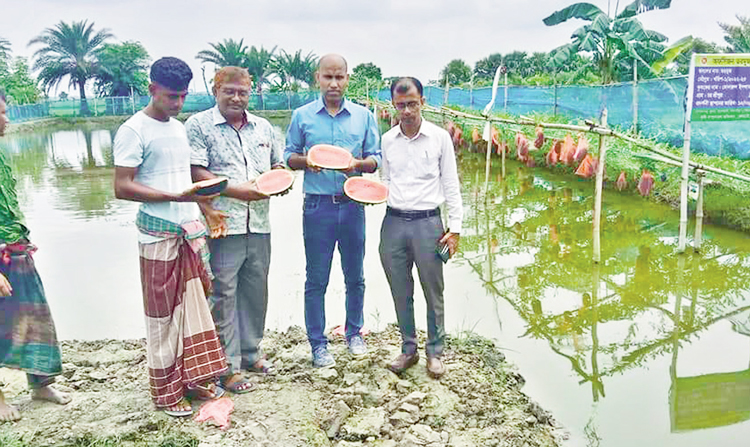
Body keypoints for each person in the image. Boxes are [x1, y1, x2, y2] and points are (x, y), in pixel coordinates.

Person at [113, 57, 228, 417]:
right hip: (157, 236)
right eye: (170, 97)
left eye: (182, 96)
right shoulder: (134, 130)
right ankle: (165, 393)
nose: (177, 104)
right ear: (152, 90)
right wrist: (172, 197)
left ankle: (194, 380)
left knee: (196, 310)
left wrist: (203, 205)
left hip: (188, 230)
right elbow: (122, 186)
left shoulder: (178, 129)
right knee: (163, 318)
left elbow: (184, 182)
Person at [186, 66, 283, 391]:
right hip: (222, 224)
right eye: (229, 91)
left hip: (259, 223)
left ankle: (251, 351)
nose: (236, 98)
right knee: (224, 294)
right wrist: (236, 191)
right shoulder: (199, 125)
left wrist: (281, 179)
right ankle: (227, 367)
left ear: (250, 92)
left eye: (243, 92)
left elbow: (277, 165)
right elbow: (196, 171)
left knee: (256, 290)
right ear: (216, 90)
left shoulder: (264, 127)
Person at [285, 54, 381, 368]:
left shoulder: (364, 116)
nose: (334, 84)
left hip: (353, 206)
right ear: (318, 78)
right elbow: (289, 156)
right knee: (317, 279)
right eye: (328, 77)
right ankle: (318, 344)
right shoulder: (302, 116)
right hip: (316, 207)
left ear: (347, 79)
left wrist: (357, 165)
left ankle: (355, 333)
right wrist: (306, 161)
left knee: (356, 276)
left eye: (339, 77)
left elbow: (375, 158)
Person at [379, 77, 463, 379]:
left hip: (429, 223)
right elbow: (386, 181)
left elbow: (451, 184)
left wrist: (455, 228)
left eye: (412, 104)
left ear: (423, 102)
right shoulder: (387, 140)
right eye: (401, 105)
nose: (407, 111)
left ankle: (436, 352)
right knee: (400, 288)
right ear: (393, 106)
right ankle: (408, 349)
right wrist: (370, 193)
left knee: (433, 289)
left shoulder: (439, 138)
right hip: (394, 222)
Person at [0, 88, 72, 422]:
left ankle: (41, 384)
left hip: (17, 251)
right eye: (0, 114)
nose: (6, 120)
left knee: (37, 318)